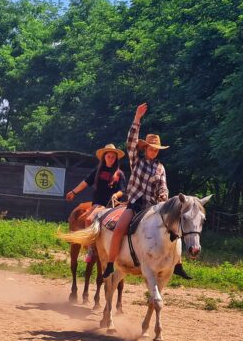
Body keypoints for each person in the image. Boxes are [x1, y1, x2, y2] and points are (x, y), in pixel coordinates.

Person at [102, 102, 191, 280]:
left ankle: (177, 263)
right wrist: (136, 119)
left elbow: (163, 187)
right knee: (119, 227)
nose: (154, 151)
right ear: (145, 149)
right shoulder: (137, 160)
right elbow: (130, 143)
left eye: (156, 149)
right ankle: (111, 263)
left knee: (175, 229)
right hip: (135, 205)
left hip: (153, 207)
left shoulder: (160, 168)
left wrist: (164, 197)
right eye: (151, 148)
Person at [67, 143, 127, 263]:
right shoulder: (98, 171)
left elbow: (122, 190)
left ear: (116, 159)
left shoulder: (119, 174)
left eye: (113, 157)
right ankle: (91, 249)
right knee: (89, 219)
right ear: (104, 157)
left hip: (112, 206)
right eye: (108, 156)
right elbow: (85, 182)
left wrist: (116, 195)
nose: (111, 159)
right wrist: (74, 192)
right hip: (99, 203)